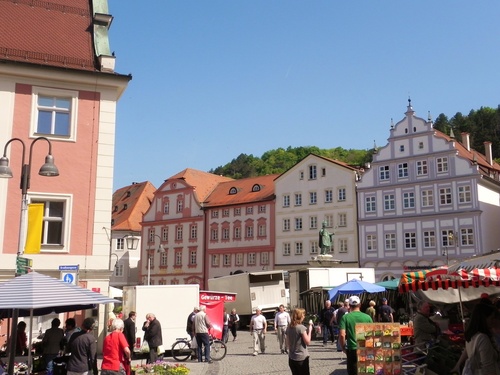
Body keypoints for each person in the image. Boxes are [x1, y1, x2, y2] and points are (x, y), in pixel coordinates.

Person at [450, 303, 500, 374]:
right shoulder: (482, 338)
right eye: (491, 318)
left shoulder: (471, 336)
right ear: (483, 319)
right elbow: (488, 368)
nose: (493, 321)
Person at [339, 296, 373, 375]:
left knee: (353, 371)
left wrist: (343, 348)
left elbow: (342, 335)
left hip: (352, 349)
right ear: (360, 305)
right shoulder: (367, 317)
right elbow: (372, 334)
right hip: (365, 348)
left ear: (349, 306)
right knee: (365, 371)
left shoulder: (345, 317)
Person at [285, 308, 313, 375]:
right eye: (303, 315)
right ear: (300, 316)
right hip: (301, 358)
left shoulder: (288, 327)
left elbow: (288, 343)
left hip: (292, 357)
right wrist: (310, 330)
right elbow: (308, 342)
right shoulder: (301, 328)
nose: (304, 316)